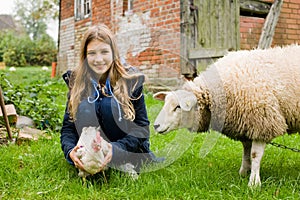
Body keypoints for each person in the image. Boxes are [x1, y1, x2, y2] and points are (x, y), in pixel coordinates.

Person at [60, 24, 160, 175]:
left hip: (126, 149)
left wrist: (115, 150)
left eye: (104, 52)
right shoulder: (77, 82)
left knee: (108, 105)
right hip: (90, 149)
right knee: (86, 106)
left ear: (113, 52)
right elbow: (68, 128)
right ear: (85, 56)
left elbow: (141, 128)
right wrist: (70, 152)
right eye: (92, 53)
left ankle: (120, 161)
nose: (98, 59)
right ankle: (90, 157)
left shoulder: (130, 81)